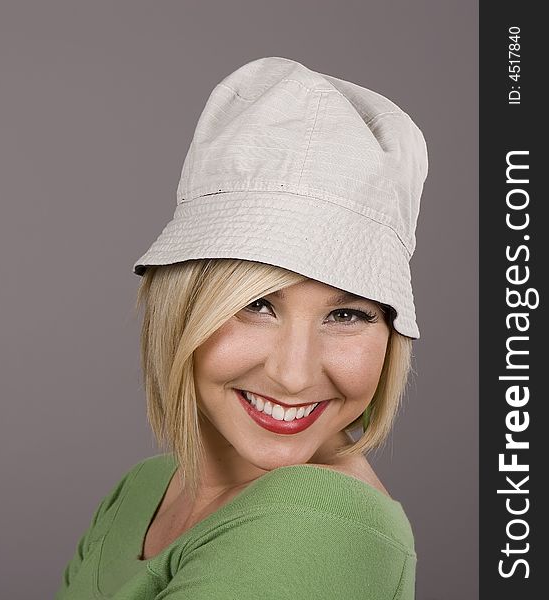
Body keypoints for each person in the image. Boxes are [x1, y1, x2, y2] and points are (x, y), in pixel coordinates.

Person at [54, 56, 428, 599]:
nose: (295, 375)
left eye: (346, 315)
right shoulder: (141, 492)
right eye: (256, 304)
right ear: (180, 307)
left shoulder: (323, 526)